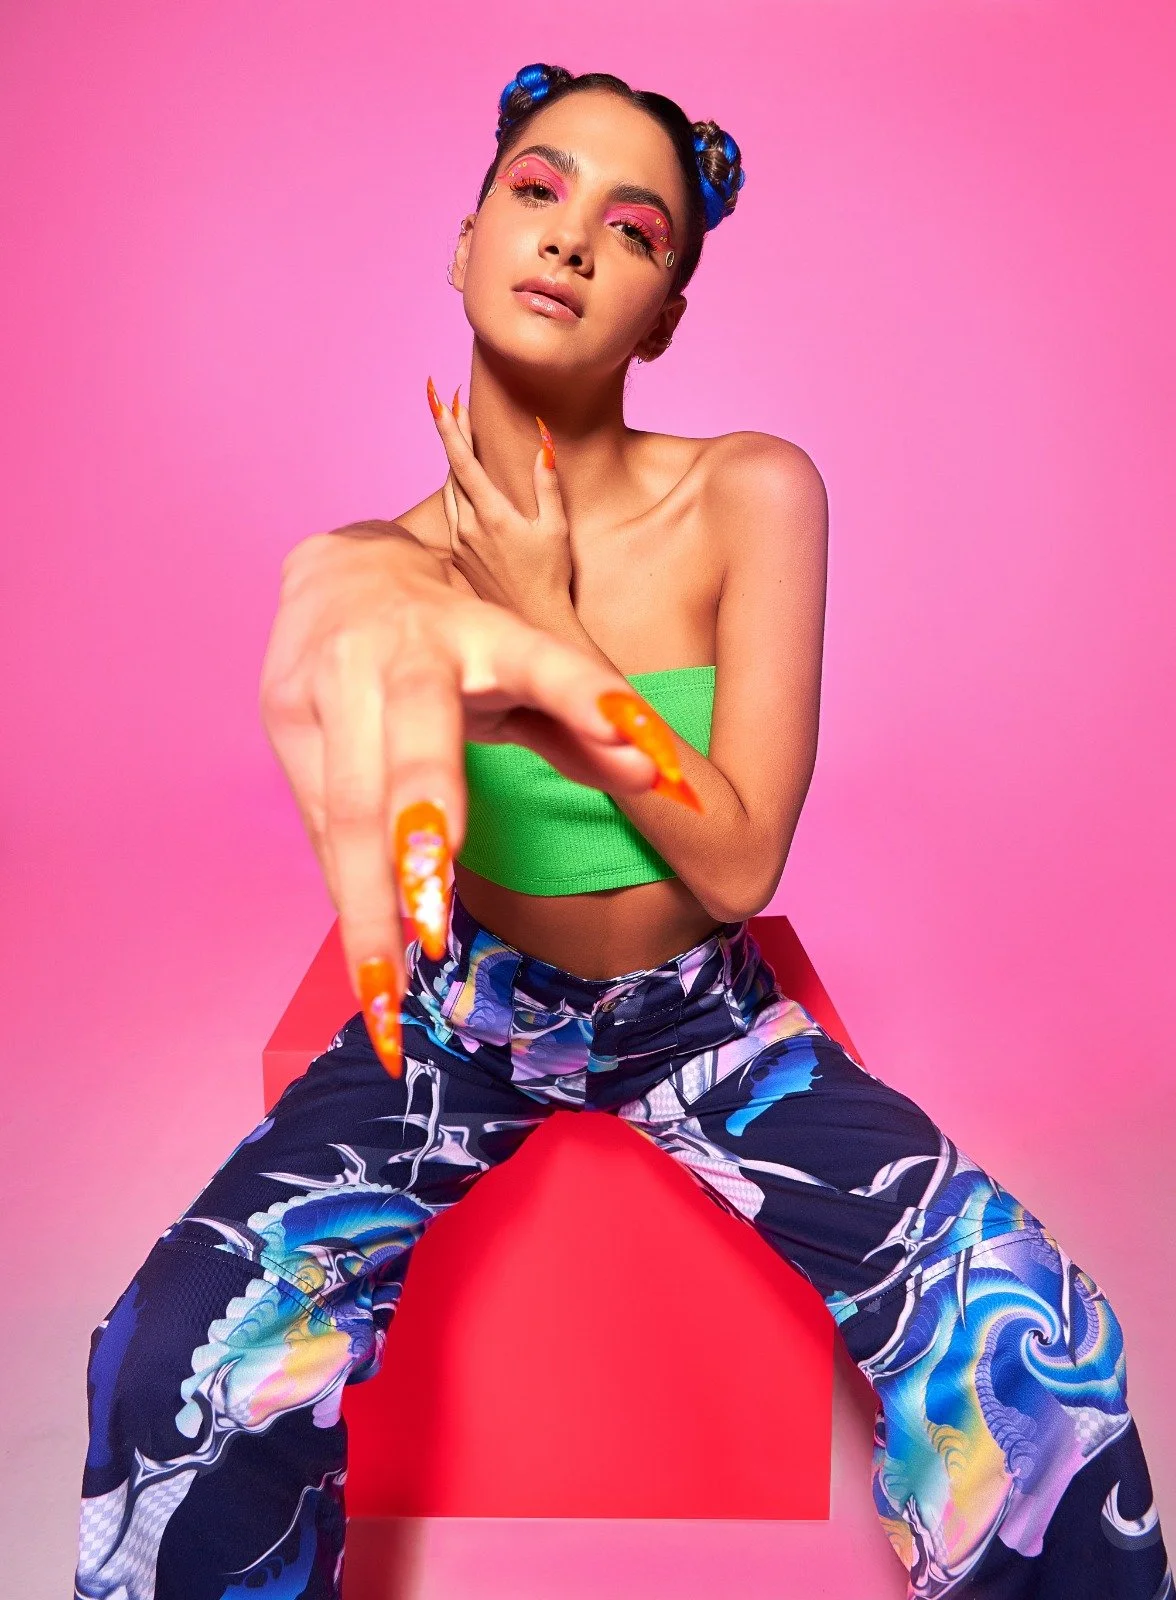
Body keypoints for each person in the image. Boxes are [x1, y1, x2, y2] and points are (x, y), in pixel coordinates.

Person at [73, 62, 1170, 1600]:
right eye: (537, 189)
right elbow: (356, 658)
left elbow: (739, 860)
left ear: (662, 313)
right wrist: (358, 604)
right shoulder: (384, 568)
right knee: (166, 1352)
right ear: (465, 242)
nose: (573, 237)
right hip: (460, 1021)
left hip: (706, 1024)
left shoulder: (751, 494)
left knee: (1040, 1335)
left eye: (635, 228)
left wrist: (548, 634)